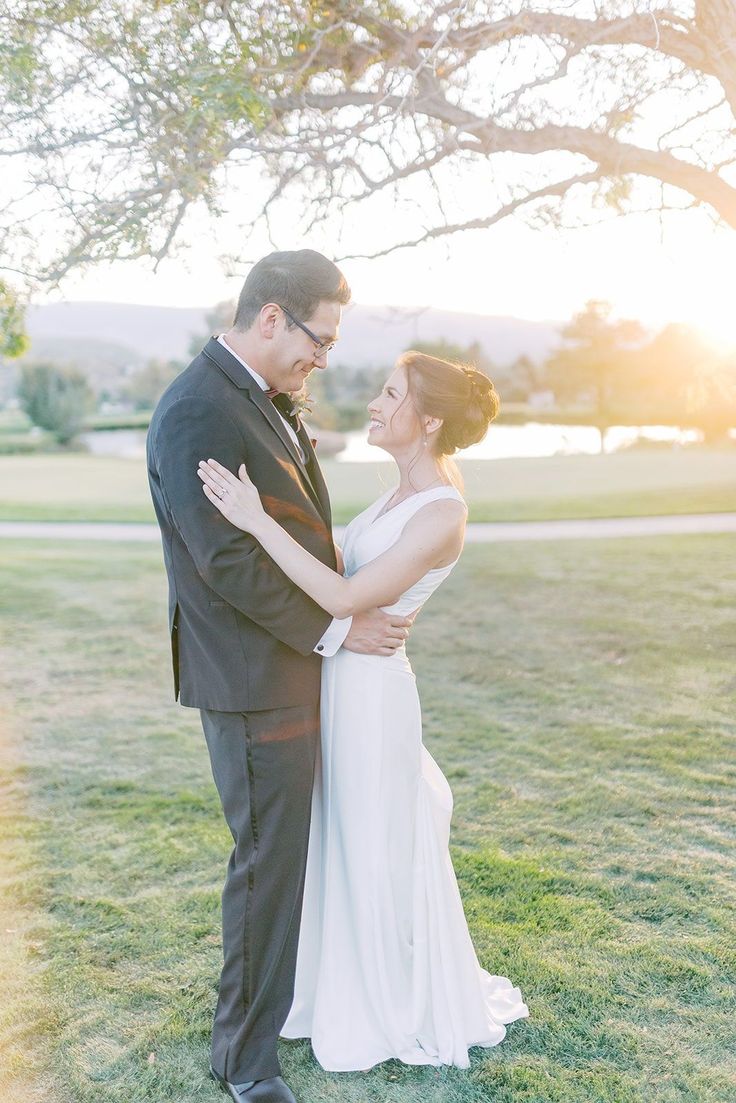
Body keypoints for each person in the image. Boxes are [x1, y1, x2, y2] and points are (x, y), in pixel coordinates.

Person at [197, 349, 529, 1073]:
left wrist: (255, 519)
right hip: (343, 679)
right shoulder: (396, 494)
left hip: (375, 695)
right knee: (338, 833)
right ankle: (328, 982)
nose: (375, 404)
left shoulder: (443, 509)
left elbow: (346, 597)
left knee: (374, 840)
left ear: (429, 418)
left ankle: (385, 995)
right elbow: (342, 565)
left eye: (389, 394)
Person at [146, 250, 415, 1103]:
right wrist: (340, 623)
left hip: (292, 668)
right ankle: (245, 1063)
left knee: (290, 856)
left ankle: (281, 1013)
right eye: (319, 339)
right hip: (253, 678)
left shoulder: (260, 400)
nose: (324, 358)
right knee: (267, 863)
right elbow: (228, 562)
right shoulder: (196, 411)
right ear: (270, 317)